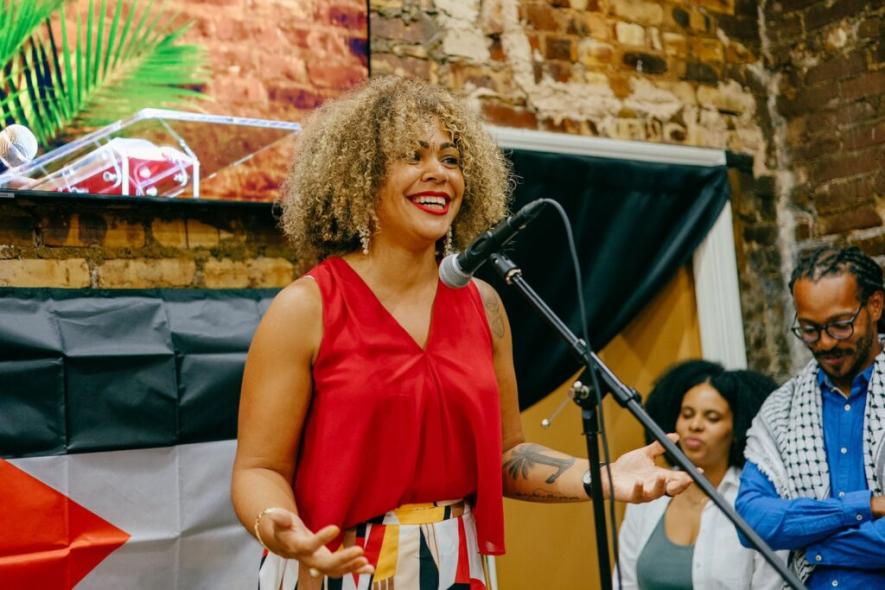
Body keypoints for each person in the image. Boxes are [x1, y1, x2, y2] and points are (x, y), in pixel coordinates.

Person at [230, 76, 692, 590]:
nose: (439, 173)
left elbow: (506, 456)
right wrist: (279, 528)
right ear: (360, 176)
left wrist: (599, 476)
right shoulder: (308, 307)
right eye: (413, 156)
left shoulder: (484, 304)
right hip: (338, 563)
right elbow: (259, 468)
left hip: (456, 562)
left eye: (450, 159)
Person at [736, 245, 885, 589]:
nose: (825, 343)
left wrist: (813, 545)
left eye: (840, 326)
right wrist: (863, 507)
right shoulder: (780, 410)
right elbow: (751, 521)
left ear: (876, 305)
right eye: (809, 329)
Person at [614, 360, 784, 589]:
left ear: (737, 429)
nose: (695, 425)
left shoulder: (758, 501)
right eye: (687, 414)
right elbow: (624, 583)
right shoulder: (648, 493)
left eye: (712, 418)